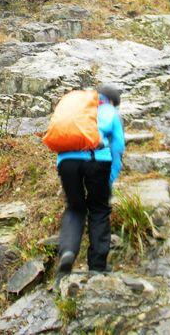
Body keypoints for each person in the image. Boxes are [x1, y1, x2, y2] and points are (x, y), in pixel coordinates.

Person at [55, 85, 125, 282]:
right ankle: (97, 266)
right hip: (97, 160)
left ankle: (68, 251)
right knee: (98, 209)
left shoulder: (76, 106)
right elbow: (118, 147)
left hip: (66, 162)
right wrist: (109, 180)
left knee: (74, 208)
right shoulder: (110, 111)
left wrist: (63, 164)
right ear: (112, 101)